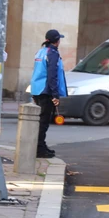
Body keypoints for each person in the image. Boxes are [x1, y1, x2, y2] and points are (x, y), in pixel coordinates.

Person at [30, 29, 68, 159]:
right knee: (44, 122)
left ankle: (41, 145)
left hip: (37, 90)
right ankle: (39, 149)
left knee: (41, 121)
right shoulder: (52, 54)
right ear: (57, 41)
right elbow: (52, 76)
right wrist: (55, 95)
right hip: (46, 91)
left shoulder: (40, 52)